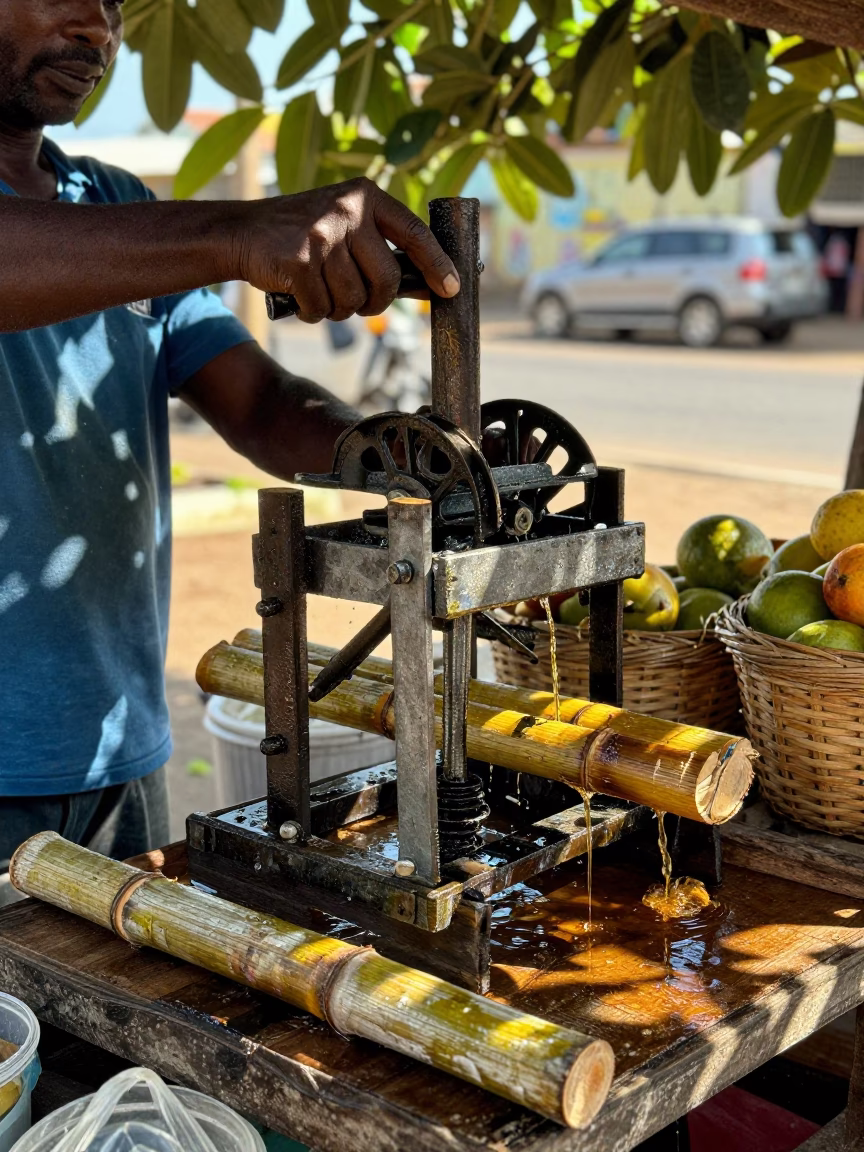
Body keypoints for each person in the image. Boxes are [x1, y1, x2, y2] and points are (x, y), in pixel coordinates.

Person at [0, 0, 460, 904]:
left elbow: (259, 401)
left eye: (116, 3)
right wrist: (239, 232)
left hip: (116, 751)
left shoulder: (119, 209)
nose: (98, 26)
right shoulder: (144, 238)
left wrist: (413, 461)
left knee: (108, 1034)